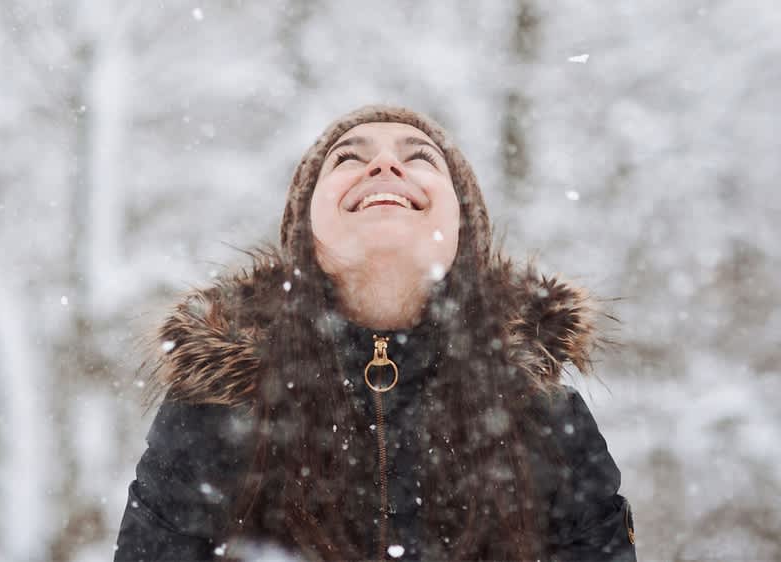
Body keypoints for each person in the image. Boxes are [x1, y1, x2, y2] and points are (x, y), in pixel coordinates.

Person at [114, 104, 637, 561]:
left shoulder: (544, 414)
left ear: (463, 230)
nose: (384, 165)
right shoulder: (213, 410)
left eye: (420, 158)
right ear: (305, 236)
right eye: (347, 158)